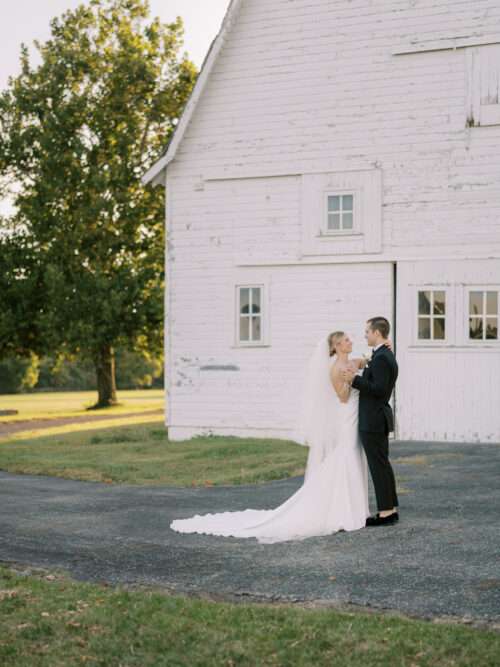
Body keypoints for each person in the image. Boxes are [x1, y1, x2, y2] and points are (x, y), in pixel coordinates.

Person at [170, 330, 391, 544]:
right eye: (345, 340)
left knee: (353, 457)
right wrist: (351, 381)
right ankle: (341, 510)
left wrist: (378, 352)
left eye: (350, 339)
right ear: (336, 346)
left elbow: (366, 361)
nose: (350, 341)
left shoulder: (351, 362)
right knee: (345, 457)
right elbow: (342, 397)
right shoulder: (334, 369)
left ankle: (355, 508)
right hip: (347, 417)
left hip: (355, 416)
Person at [342, 316, 399, 526]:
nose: (365, 335)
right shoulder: (384, 354)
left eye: (367, 331)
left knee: (378, 465)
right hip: (377, 417)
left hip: (373, 419)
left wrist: (354, 380)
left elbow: (380, 389)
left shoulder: (382, 357)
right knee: (382, 464)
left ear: (376, 332)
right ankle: (391, 508)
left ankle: (386, 512)